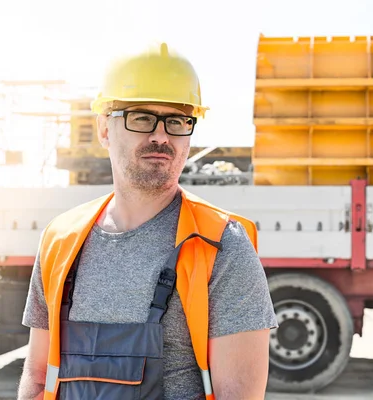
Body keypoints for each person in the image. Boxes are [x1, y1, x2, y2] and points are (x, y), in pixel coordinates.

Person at [16, 42, 278, 400]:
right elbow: (37, 377)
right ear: (105, 130)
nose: (161, 135)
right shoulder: (60, 241)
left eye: (177, 120)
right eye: (141, 118)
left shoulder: (220, 246)